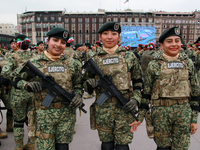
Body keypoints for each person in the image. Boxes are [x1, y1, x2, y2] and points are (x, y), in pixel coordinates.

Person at [130, 27, 199, 150]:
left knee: (181, 147)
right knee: (163, 147)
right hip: (161, 113)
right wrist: (140, 117)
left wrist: (194, 119)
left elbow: (195, 92)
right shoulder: (154, 64)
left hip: (183, 113)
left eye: (177, 41)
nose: (174, 44)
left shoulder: (188, 63)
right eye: (169, 41)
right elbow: (146, 93)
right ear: (161, 44)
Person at [15, 27, 83, 150]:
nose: (59, 45)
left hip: (66, 115)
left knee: (63, 147)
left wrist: (78, 95)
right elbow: (16, 79)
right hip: (43, 115)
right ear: (47, 41)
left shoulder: (71, 63)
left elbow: (78, 84)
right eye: (55, 40)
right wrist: (27, 85)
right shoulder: (34, 62)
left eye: (63, 42)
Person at [84, 22, 142, 150]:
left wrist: (135, 99)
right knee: (107, 145)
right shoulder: (93, 57)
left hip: (124, 108)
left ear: (119, 37)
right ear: (100, 37)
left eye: (114, 34)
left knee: (122, 146)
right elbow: (85, 80)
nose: (109, 37)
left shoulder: (129, 56)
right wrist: (90, 84)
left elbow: (138, 81)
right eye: (105, 34)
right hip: (103, 109)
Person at [1, 34, 35, 150]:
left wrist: (14, 76)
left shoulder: (13, 57)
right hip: (32, 92)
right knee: (32, 121)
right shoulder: (34, 56)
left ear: (17, 44)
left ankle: (18, 146)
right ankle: (31, 144)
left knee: (19, 122)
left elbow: (5, 73)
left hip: (18, 93)